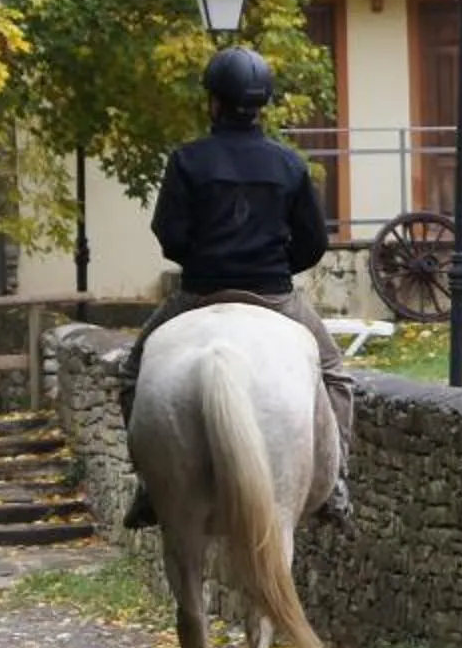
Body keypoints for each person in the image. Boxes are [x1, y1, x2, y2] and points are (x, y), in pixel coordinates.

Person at [119, 46, 354, 527]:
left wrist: (207, 262)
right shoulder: (289, 165)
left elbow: (169, 234)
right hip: (274, 295)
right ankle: (335, 483)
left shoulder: (186, 161)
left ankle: (149, 485)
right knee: (334, 375)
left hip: (199, 294)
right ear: (261, 104)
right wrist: (273, 267)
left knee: (133, 371)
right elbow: (313, 241)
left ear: (213, 102)